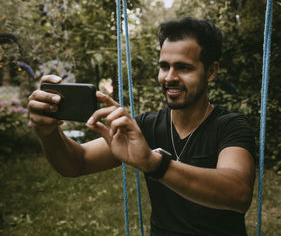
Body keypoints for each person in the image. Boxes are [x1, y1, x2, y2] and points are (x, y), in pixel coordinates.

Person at [28, 17, 256, 235]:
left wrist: (154, 163)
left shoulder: (231, 126)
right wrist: (48, 134)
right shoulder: (146, 127)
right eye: (164, 66)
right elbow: (77, 163)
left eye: (184, 68)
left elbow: (238, 193)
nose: (170, 77)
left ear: (211, 71)